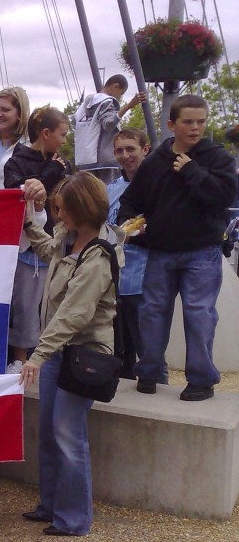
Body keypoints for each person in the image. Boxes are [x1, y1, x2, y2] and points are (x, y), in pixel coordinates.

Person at [19, 172, 123, 536]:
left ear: (81, 209)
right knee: (51, 432)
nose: (58, 214)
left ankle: (74, 518)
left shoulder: (97, 257)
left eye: (64, 209)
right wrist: (29, 222)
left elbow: (75, 314)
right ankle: (51, 506)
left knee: (68, 434)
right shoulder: (70, 239)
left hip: (82, 356)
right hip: (59, 353)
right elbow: (48, 249)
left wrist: (38, 355)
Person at [117, 94, 237, 401]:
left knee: (199, 313)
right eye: (188, 122)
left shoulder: (217, 158)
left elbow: (225, 196)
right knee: (153, 312)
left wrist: (192, 171)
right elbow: (131, 200)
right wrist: (131, 221)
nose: (195, 128)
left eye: (201, 122)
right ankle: (150, 372)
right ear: (172, 124)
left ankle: (201, 379)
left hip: (202, 251)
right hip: (160, 251)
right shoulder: (155, 162)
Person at [2, 106, 68, 373]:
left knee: (52, 305)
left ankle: (47, 356)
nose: (65, 141)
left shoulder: (62, 163)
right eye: (63, 134)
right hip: (26, 247)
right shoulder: (17, 162)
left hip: (59, 241)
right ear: (46, 133)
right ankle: (19, 357)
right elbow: (21, 195)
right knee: (24, 307)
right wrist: (49, 173)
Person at [107, 129, 158, 381]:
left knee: (148, 349)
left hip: (144, 279)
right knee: (119, 351)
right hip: (114, 282)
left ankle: (157, 392)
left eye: (131, 149)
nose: (125, 155)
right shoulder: (110, 190)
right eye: (119, 150)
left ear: (145, 149)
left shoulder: (160, 184)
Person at [74, 75, 146, 184]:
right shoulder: (106, 101)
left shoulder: (84, 105)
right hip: (104, 160)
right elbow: (109, 124)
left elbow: (74, 122)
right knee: (108, 195)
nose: (120, 98)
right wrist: (128, 106)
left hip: (84, 160)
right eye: (121, 93)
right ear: (115, 86)